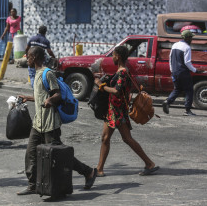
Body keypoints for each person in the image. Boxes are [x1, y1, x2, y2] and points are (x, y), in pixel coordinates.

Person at [17, 46, 97, 195]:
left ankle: (88, 172)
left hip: (50, 123)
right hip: (38, 123)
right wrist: (29, 98)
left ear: (34, 57)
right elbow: (42, 95)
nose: (26, 59)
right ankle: (33, 184)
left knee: (60, 156)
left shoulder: (48, 74)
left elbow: (57, 95)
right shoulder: (36, 74)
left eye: (28, 56)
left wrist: (50, 101)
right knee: (31, 153)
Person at [94, 46, 159, 177]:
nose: (112, 57)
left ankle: (149, 163)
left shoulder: (123, 72)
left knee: (124, 138)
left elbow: (117, 91)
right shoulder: (121, 71)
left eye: (113, 55)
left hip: (117, 111)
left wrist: (101, 85)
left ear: (118, 56)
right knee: (107, 138)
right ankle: (99, 169)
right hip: (113, 110)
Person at [162, 30, 204, 116]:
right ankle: (187, 111)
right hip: (183, 72)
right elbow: (187, 62)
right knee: (189, 90)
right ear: (187, 38)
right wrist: (195, 70)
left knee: (177, 89)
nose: (191, 39)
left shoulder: (174, 45)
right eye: (191, 37)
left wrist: (172, 70)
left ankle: (167, 101)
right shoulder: (187, 47)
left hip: (175, 72)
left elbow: (170, 59)